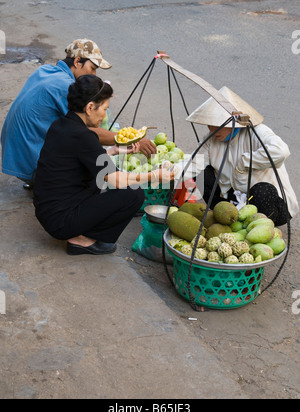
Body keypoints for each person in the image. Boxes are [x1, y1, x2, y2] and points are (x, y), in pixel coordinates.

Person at [33, 74, 174, 255]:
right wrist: (154, 176)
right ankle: (82, 240)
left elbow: (78, 162)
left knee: (99, 178)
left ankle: (80, 232)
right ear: (90, 107)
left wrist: (113, 151)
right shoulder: (83, 136)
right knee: (133, 194)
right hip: (61, 221)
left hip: (48, 212)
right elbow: (117, 180)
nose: (105, 115)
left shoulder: (61, 125)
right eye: (105, 109)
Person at [1, 38, 156, 190]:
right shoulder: (66, 87)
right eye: (92, 68)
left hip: (15, 157)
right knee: (91, 162)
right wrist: (132, 139)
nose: (94, 75)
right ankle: (40, 180)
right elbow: (86, 132)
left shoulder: (44, 70)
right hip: (33, 165)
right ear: (77, 62)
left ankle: (34, 179)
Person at [182, 86, 298, 227]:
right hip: (236, 201)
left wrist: (245, 162)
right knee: (200, 173)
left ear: (232, 121)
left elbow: (281, 151)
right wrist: (165, 173)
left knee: (262, 191)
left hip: (270, 203)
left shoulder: (257, 132)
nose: (212, 130)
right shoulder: (211, 139)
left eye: (216, 125)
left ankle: (262, 227)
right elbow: (194, 163)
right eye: (209, 125)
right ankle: (223, 216)